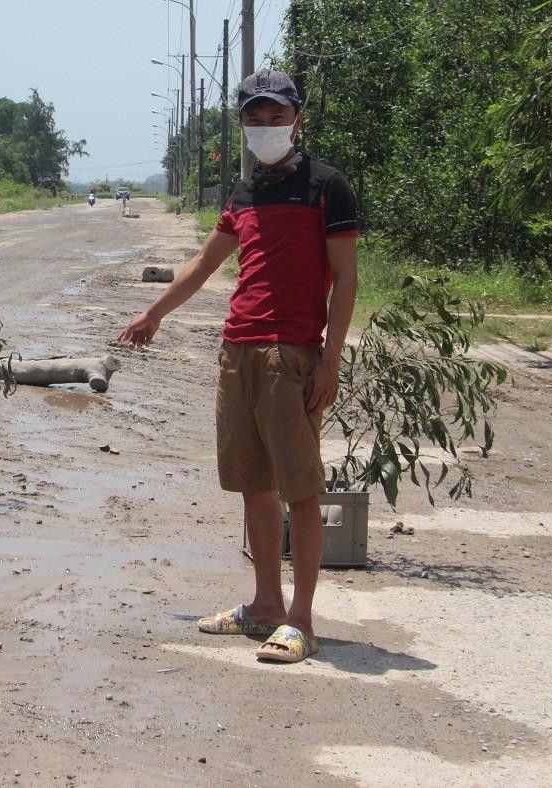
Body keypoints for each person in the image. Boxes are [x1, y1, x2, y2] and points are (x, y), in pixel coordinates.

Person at [118, 68, 358, 663]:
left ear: (298, 118)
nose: (267, 124)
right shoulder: (245, 192)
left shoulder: (327, 186)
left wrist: (329, 361)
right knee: (254, 484)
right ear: (244, 122)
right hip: (237, 352)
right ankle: (264, 607)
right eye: (256, 115)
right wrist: (153, 314)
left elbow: (347, 279)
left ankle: (301, 620)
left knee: (301, 491)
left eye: (277, 115)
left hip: (290, 355)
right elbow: (204, 264)